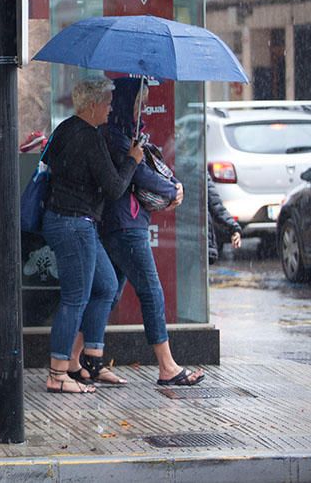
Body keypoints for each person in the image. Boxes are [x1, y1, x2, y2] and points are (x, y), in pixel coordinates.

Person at [97, 78, 204, 386]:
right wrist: (173, 189)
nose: (141, 107)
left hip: (122, 224)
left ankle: (83, 358)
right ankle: (167, 366)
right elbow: (140, 175)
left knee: (107, 294)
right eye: (137, 101)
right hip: (125, 225)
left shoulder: (124, 133)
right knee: (151, 291)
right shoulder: (116, 137)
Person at [41, 77, 143, 394]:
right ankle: (58, 374)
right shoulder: (89, 136)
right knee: (75, 298)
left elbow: (54, 166)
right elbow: (113, 187)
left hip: (65, 221)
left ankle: (86, 363)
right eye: (107, 103)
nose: (110, 109)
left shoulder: (65, 130)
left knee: (106, 285)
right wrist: (133, 160)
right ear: (93, 104)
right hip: (75, 224)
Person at [207, 178, 242, 263]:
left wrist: (234, 228)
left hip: (198, 242)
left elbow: (216, 206)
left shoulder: (200, 172)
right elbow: (216, 206)